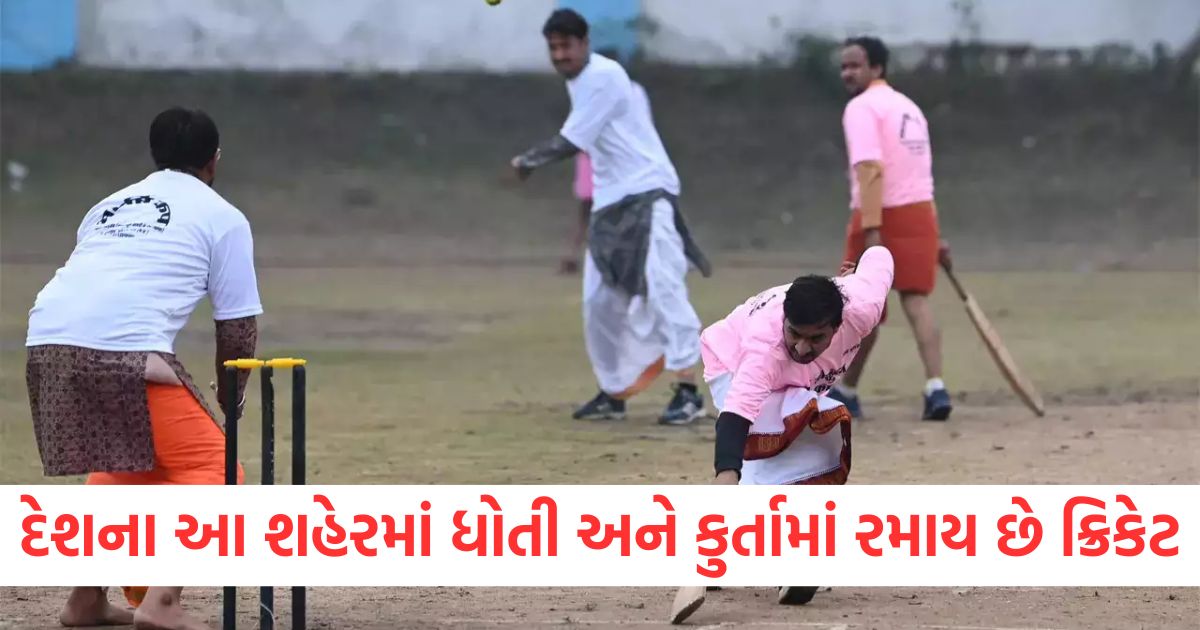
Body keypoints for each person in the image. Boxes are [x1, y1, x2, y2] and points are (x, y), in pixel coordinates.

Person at [25, 107, 260, 630]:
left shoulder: (107, 206)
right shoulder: (223, 217)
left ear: (155, 155)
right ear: (213, 161)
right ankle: (162, 601)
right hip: (122, 352)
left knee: (125, 468)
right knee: (217, 470)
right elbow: (237, 327)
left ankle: (86, 600)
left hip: (47, 344)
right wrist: (231, 394)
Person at [510, 9, 712, 425]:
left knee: (664, 288)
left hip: (649, 192)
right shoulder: (581, 82)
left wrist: (528, 160)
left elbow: (572, 139)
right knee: (598, 302)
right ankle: (614, 391)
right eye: (553, 48)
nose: (560, 55)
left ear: (584, 44)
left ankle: (689, 392)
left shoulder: (603, 76)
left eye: (567, 46)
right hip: (609, 202)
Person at [672, 247, 893, 623]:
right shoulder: (766, 350)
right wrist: (727, 473)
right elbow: (736, 419)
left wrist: (853, 277)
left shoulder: (864, 307)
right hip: (731, 363)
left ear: (838, 325)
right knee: (777, 446)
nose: (802, 348)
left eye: (816, 339)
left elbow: (881, 255)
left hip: (795, 383)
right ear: (785, 323)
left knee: (820, 445)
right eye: (795, 334)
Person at [828, 36, 954, 421]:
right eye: (844, 66)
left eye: (856, 65)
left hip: (881, 213)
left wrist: (871, 230)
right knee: (916, 302)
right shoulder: (910, 108)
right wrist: (936, 230)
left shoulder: (861, 108)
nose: (848, 72)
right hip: (919, 214)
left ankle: (844, 391)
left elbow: (869, 168)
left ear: (877, 68)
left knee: (860, 305)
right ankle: (936, 387)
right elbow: (923, 173)